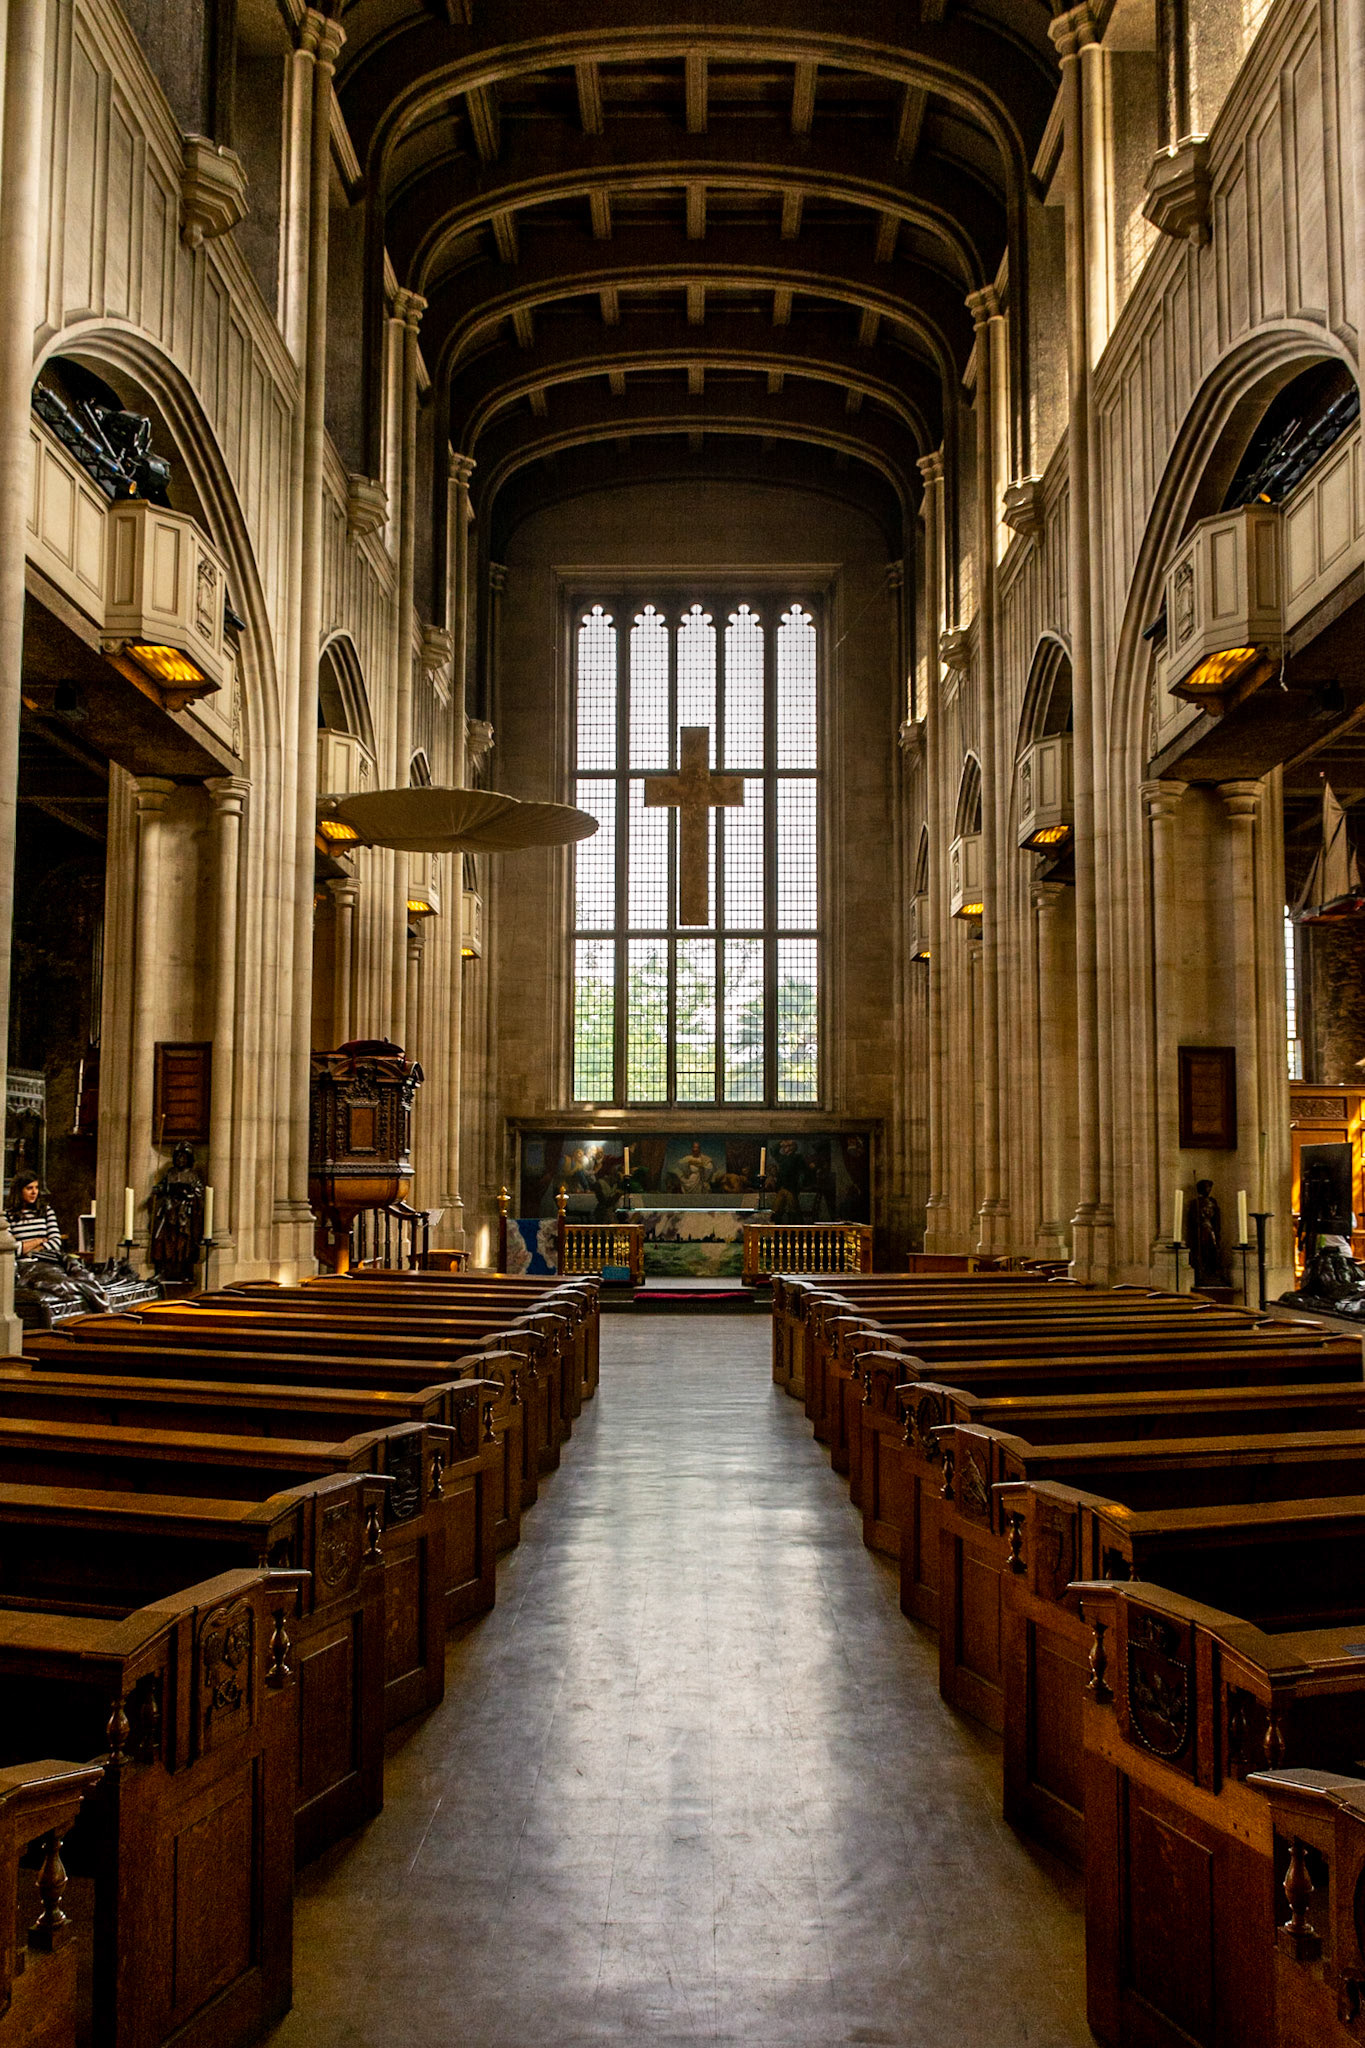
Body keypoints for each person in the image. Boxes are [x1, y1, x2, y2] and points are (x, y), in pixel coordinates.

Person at [6, 1173, 62, 1255]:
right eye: (29, 1188)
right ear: (19, 1191)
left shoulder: (46, 1211)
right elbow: (10, 1249)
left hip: (46, 1261)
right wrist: (38, 1241)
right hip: (21, 1265)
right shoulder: (7, 1215)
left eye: (36, 1188)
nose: (34, 1192)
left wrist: (32, 1251)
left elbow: (56, 1242)